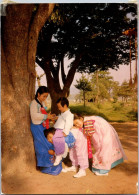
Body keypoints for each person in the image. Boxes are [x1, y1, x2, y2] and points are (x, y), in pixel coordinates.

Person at [30, 86, 62, 175]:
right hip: (36, 127)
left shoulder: (41, 103)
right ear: (38, 94)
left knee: (49, 143)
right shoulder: (33, 103)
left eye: (46, 97)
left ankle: (52, 164)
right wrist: (46, 117)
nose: (45, 98)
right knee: (42, 145)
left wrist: (50, 117)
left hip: (42, 126)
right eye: (43, 96)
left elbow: (43, 115)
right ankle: (45, 166)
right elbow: (34, 117)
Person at [53, 97, 75, 166]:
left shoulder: (69, 115)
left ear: (65, 105)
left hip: (62, 131)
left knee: (57, 140)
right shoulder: (63, 113)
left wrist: (65, 132)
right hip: (57, 129)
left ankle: (59, 155)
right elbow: (61, 119)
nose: (59, 109)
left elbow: (68, 124)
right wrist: (56, 118)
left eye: (59, 107)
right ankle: (58, 153)